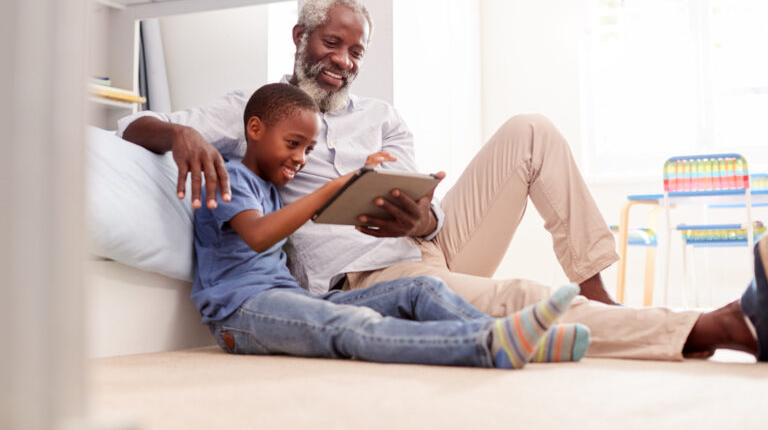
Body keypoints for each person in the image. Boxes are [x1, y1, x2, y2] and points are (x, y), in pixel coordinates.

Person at [120, 0, 768, 362]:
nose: (343, 61)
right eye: (331, 44)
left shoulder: (381, 116)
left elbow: (419, 202)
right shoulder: (252, 107)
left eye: (355, 51)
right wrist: (178, 134)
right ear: (300, 36)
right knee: (517, 297)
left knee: (530, 129)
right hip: (370, 276)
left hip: (428, 240)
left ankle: (597, 290)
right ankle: (713, 327)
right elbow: (134, 128)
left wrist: (425, 216)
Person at [191, 82, 591, 368]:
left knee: (420, 287)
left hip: (290, 300)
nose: (300, 158)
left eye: (309, 149)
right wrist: (335, 186)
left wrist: (364, 185)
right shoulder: (228, 177)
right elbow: (258, 235)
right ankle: (485, 345)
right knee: (355, 325)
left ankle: (525, 340)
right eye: (293, 144)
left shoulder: (272, 188)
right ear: (255, 129)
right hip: (240, 315)